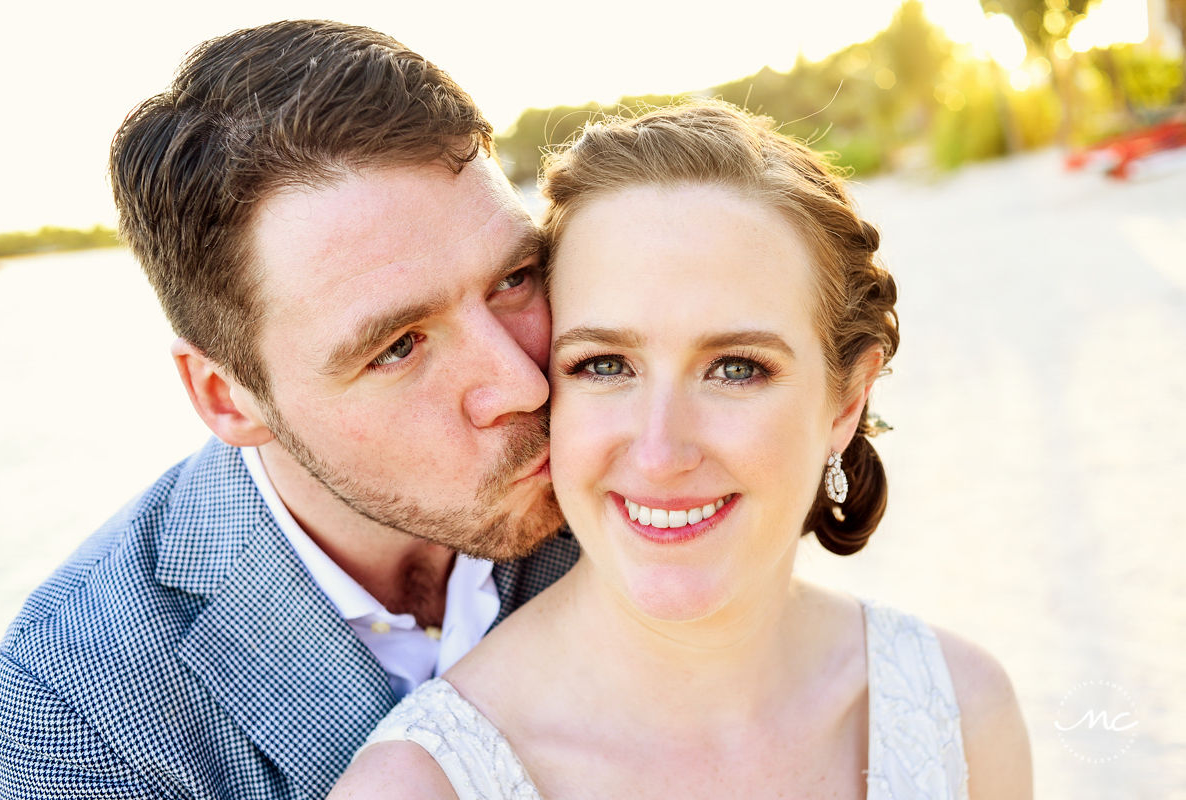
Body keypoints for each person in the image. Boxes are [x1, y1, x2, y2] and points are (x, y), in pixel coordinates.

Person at [331, 102, 1033, 799]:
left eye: (736, 368)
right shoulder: (417, 785)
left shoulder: (962, 712)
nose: (661, 452)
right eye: (605, 365)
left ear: (846, 403)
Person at [0, 20, 578, 799]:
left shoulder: (641, 467)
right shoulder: (76, 695)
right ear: (224, 397)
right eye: (398, 346)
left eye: (513, 280)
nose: (524, 386)